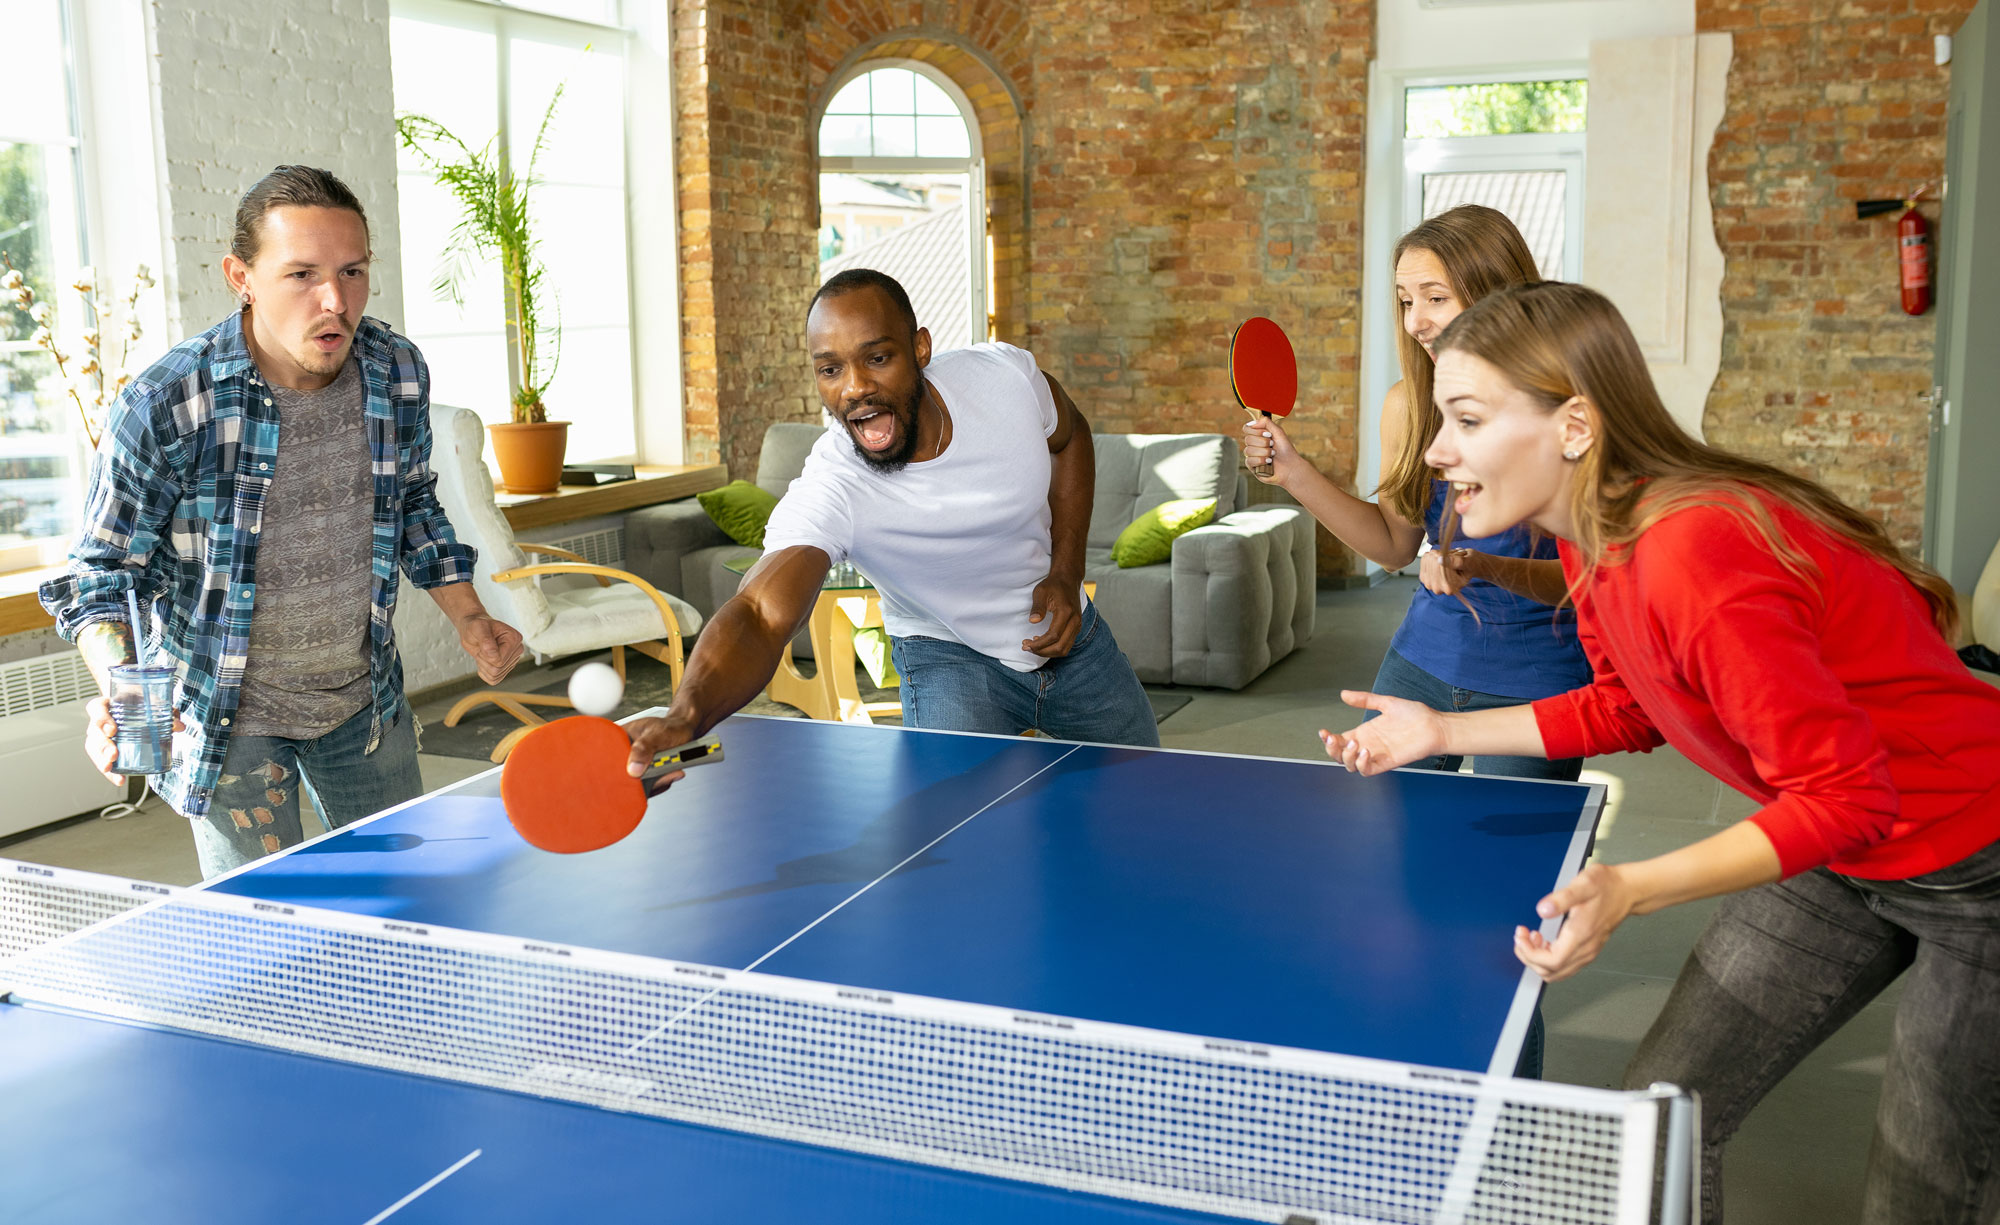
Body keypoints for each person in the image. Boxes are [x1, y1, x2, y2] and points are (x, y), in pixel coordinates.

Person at [1323, 281, 2000, 1221]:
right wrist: (1442, 731)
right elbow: (1628, 707)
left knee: (1920, 1187)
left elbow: (1847, 795)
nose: (1436, 452)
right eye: (1441, 418)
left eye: (1467, 419)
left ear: (1573, 425)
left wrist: (1634, 885)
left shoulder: (1695, 553)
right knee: (1655, 1122)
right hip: (1842, 848)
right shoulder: (1587, 534)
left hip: (1975, 862)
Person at [40, 165, 523, 879]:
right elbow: (102, 576)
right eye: (302, 274)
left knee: (406, 910)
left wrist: (470, 616)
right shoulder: (169, 402)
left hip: (365, 702)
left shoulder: (396, 371)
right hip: (230, 718)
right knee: (272, 939)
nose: (336, 300)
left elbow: (414, 502)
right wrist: (123, 690)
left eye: (352, 271)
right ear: (243, 275)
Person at [622, 268, 1156, 771]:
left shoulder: (1004, 378)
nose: (853, 387)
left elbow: (1071, 437)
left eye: (876, 358)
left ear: (920, 349)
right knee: (958, 835)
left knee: (1151, 791)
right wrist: (686, 713)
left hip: (1073, 639)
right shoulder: (835, 484)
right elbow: (760, 614)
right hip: (946, 657)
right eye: (831, 369)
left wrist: (1065, 571)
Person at [1242, 205, 1590, 783]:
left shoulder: (1568, 413)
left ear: (1496, 295)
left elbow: (1595, 577)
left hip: (1536, 679)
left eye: (1435, 298)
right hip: (1420, 662)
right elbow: (1394, 545)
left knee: (1507, 872)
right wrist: (1293, 472)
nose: (1415, 322)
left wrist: (1478, 564)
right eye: (1406, 301)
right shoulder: (1407, 404)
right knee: (1386, 848)